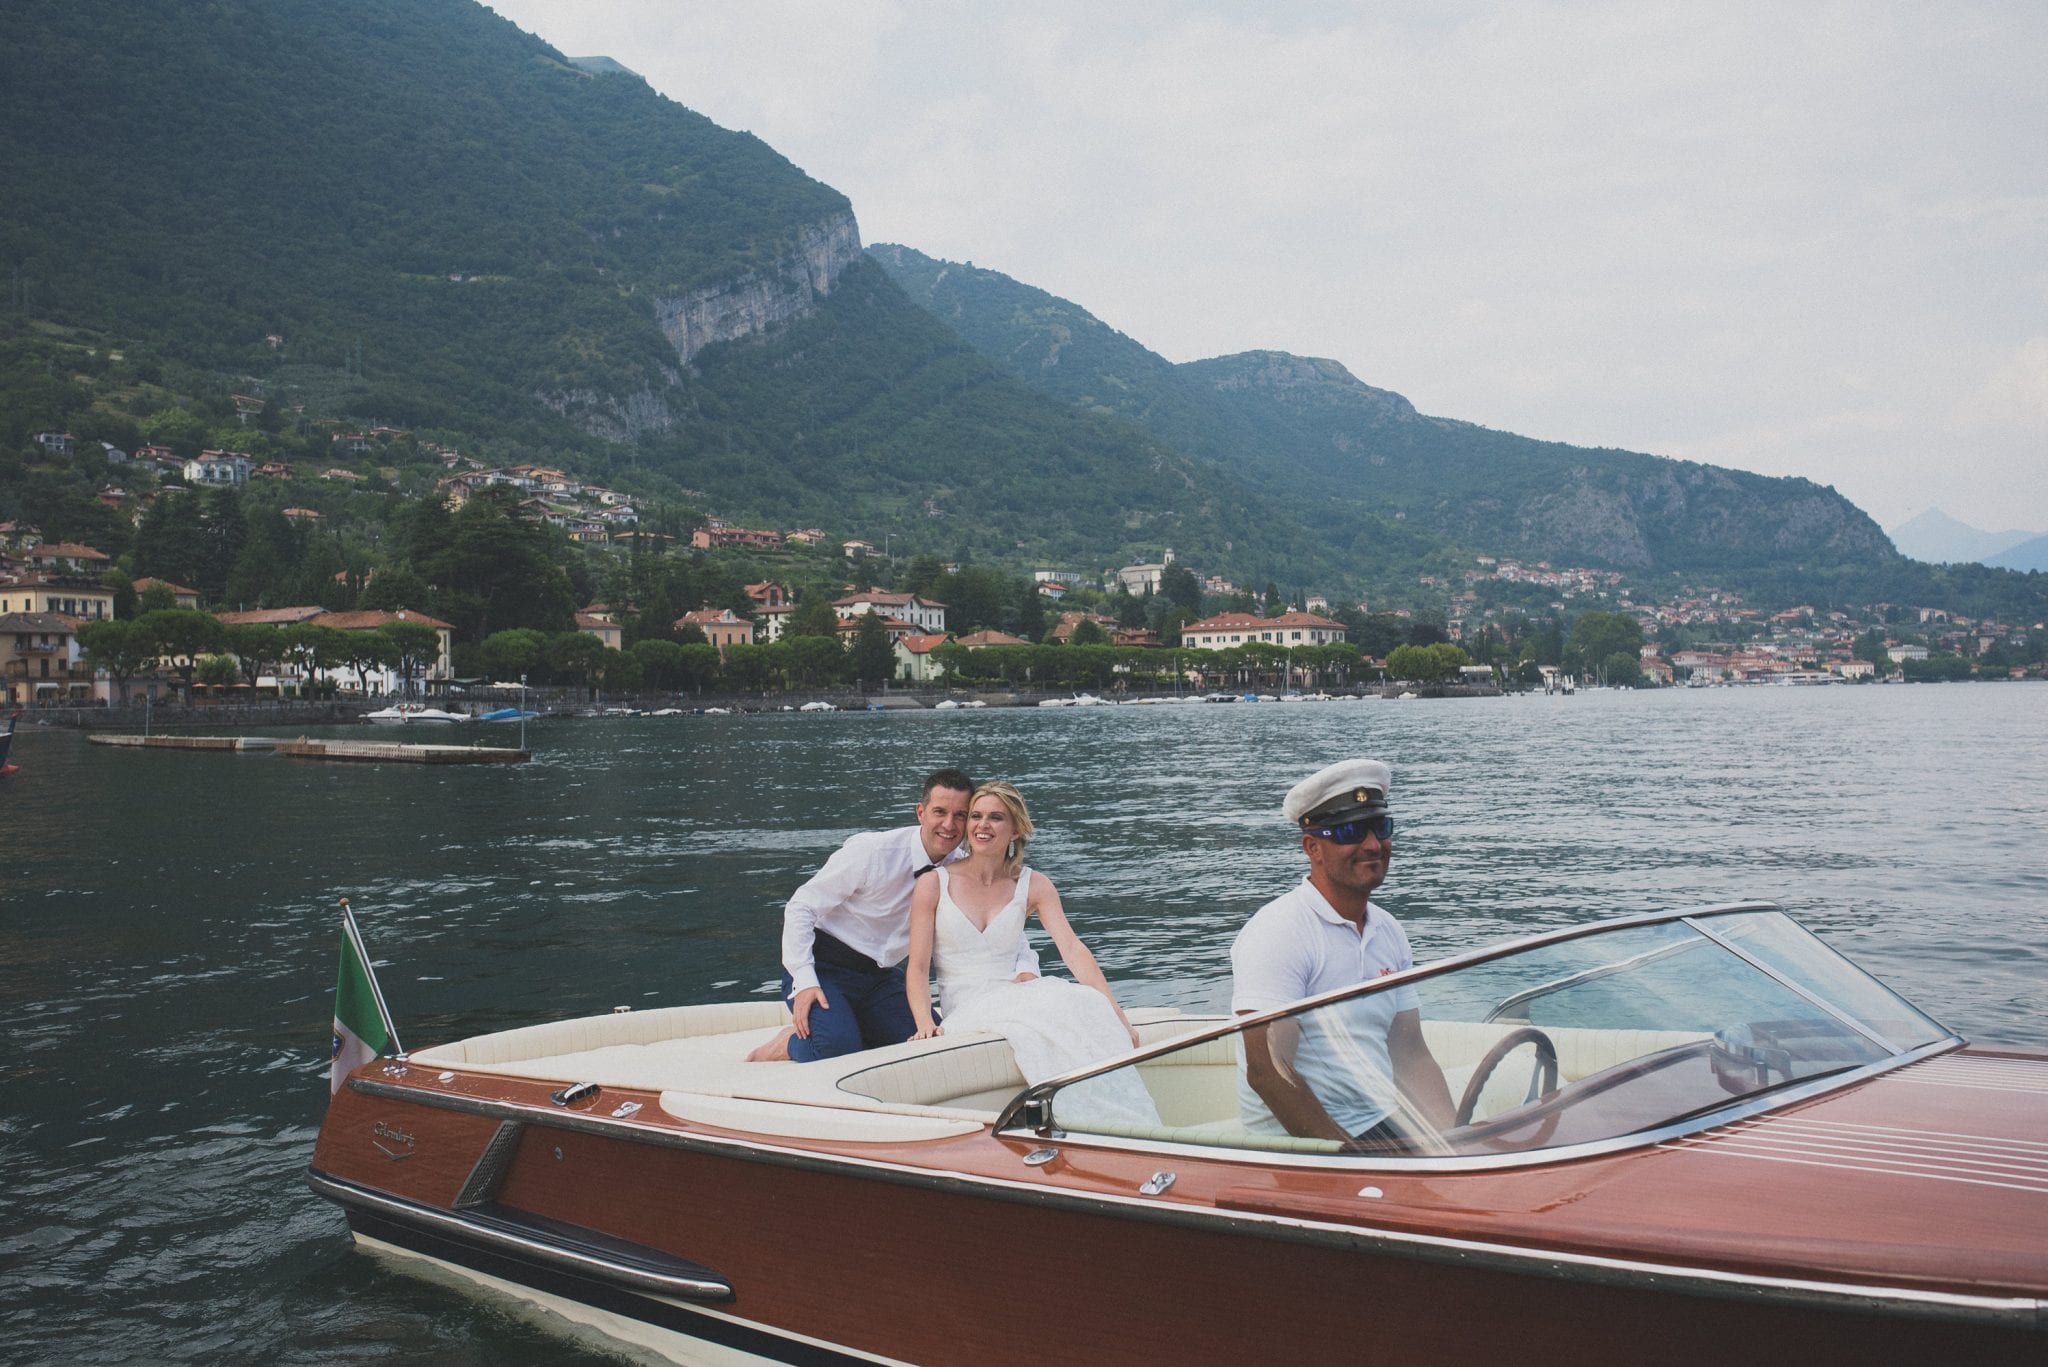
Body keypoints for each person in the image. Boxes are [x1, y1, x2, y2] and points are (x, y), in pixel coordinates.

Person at [1230, 757, 1455, 1149]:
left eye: (1381, 827)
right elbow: (1268, 1071)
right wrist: (1349, 1160)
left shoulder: (1388, 930)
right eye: (1350, 831)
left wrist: (1458, 1144)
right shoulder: (1279, 932)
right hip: (1296, 1146)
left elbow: (1410, 1054)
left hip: (1379, 1123)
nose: (1372, 845)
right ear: (1313, 847)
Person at [746, 768, 1039, 1064]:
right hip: (825, 968)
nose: (949, 825)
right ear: (920, 812)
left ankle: (848, 1024)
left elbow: (1003, 928)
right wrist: (805, 980)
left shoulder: (962, 870)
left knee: (935, 1043)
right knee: (834, 1048)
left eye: (960, 815)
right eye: (939, 812)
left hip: (881, 979)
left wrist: (1026, 969)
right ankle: (789, 1043)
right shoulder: (873, 852)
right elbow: (801, 907)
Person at [905, 781, 1156, 1123]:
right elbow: (918, 967)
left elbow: (1072, 949)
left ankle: (1114, 1122)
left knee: (1082, 1003)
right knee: (1052, 1012)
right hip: (965, 1005)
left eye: (995, 817)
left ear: (1016, 830)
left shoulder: (1033, 884)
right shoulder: (933, 883)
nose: (982, 825)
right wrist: (925, 1025)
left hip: (1014, 993)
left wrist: (1117, 1015)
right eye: (976, 816)